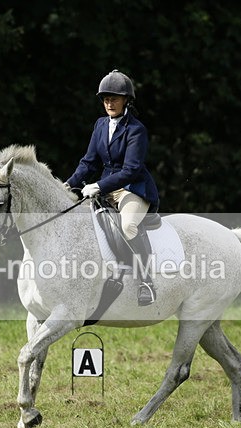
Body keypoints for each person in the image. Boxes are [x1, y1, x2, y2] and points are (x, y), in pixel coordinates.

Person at [65, 70, 160, 306]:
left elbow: (131, 170)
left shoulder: (136, 130)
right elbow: (89, 162)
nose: (109, 103)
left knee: (127, 226)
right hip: (106, 190)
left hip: (132, 189)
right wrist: (68, 184)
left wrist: (97, 185)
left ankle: (146, 281)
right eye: (106, 99)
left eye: (114, 98)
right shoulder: (99, 125)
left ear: (126, 100)